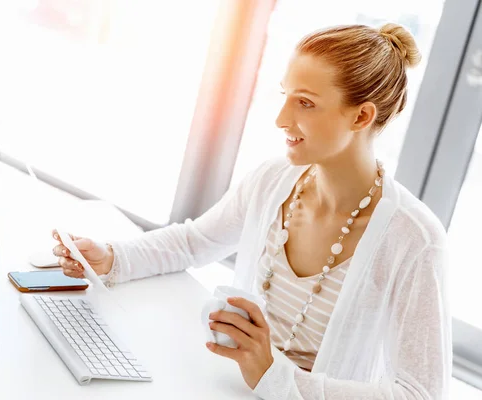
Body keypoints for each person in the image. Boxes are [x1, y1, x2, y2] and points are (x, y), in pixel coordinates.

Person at [51, 23, 451, 399]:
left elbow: (420, 393)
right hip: (225, 386)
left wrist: (274, 377)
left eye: (306, 103)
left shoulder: (413, 239)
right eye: (285, 96)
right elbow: (195, 242)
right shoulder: (273, 180)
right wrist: (113, 258)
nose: (281, 119)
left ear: (362, 116)